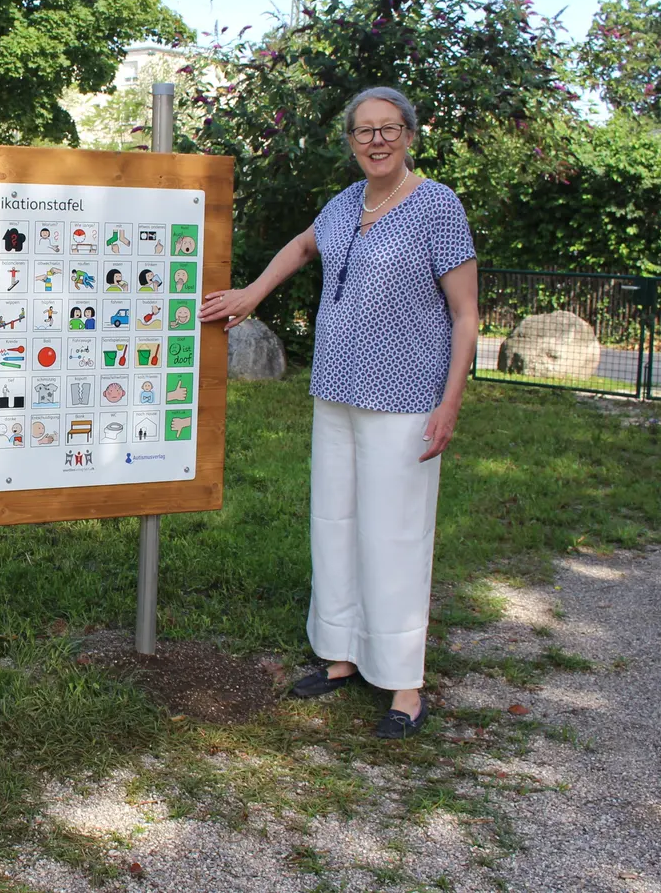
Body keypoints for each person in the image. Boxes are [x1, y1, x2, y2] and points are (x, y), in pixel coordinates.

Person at [199, 86, 479, 740]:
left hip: (405, 399)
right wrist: (250, 293)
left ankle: (404, 684)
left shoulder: (437, 206)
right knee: (336, 524)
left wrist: (450, 404)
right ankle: (343, 655)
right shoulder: (347, 202)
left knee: (396, 535)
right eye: (363, 131)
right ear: (350, 141)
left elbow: (465, 314)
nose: (376, 141)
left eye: (388, 129)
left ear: (409, 134)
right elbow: (302, 248)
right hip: (336, 392)